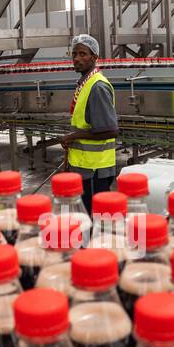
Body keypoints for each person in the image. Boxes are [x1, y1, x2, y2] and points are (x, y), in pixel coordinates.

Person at [62, 34, 119, 214]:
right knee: (86, 216)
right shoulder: (85, 83)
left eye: (82, 54)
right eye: (74, 54)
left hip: (95, 169)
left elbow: (110, 130)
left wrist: (74, 136)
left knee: (96, 218)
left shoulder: (97, 87)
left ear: (94, 57)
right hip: (85, 166)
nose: (76, 59)